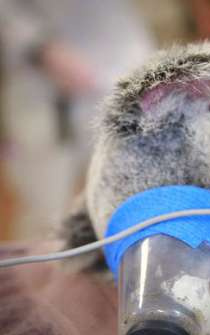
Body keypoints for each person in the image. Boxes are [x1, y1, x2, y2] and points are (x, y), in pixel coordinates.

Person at [0, 0, 154, 238]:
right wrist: (39, 47)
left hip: (121, 70)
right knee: (45, 218)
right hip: (42, 96)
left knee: (133, 206)